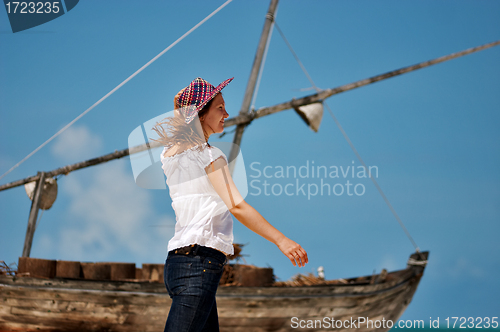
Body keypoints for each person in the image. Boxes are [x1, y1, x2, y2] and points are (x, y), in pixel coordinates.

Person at [152, 77, 308, 332]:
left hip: (177, 265)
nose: (227, 113)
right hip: (200, 262)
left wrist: (185, 102)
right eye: (220, 108)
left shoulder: (170, 155)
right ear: (201, 114)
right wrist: (282, 240)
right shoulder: (211, 156)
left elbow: (181, 107)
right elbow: (236, 205)